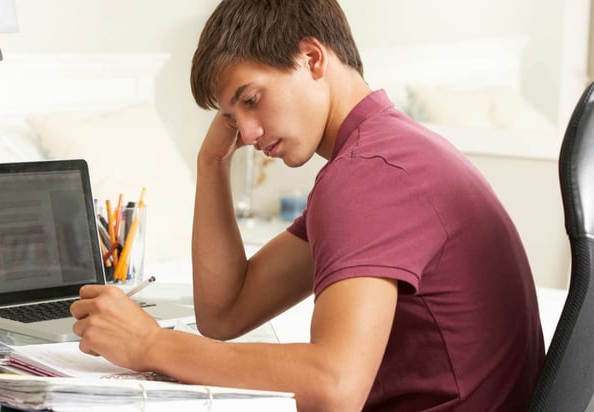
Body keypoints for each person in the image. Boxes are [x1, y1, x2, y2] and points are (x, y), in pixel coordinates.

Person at [70, 0, 545, 410]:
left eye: (252, 99)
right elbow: (225, 313)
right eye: (233, 117)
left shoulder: (368, 174)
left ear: (312, 57)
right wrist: (212, 163)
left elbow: (333, 387)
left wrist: (152, 344)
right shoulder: (390, 153)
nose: (248, 133)